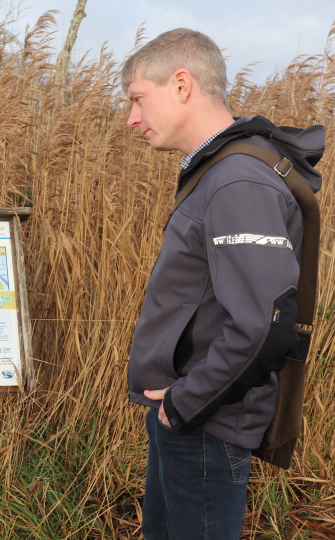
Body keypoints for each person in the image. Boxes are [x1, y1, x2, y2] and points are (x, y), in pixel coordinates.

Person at [123, 29, 324, 539]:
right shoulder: (219, 173)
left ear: (182, 84)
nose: (132, 119)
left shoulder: (238, 181)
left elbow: (264, 325)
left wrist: (182, 403)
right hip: (188, 421)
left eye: (138, 100)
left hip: (204, 427)